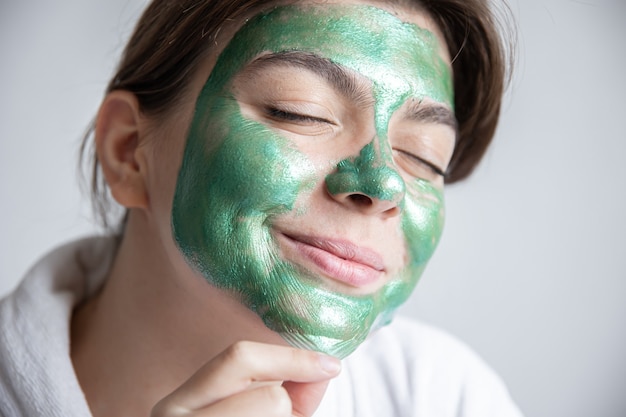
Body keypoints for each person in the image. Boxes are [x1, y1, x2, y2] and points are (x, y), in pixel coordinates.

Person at [0, 0, 522, 416]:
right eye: (301, 112)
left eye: (424, 158)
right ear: (128, 151)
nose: (383, 184)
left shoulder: (444, 395)